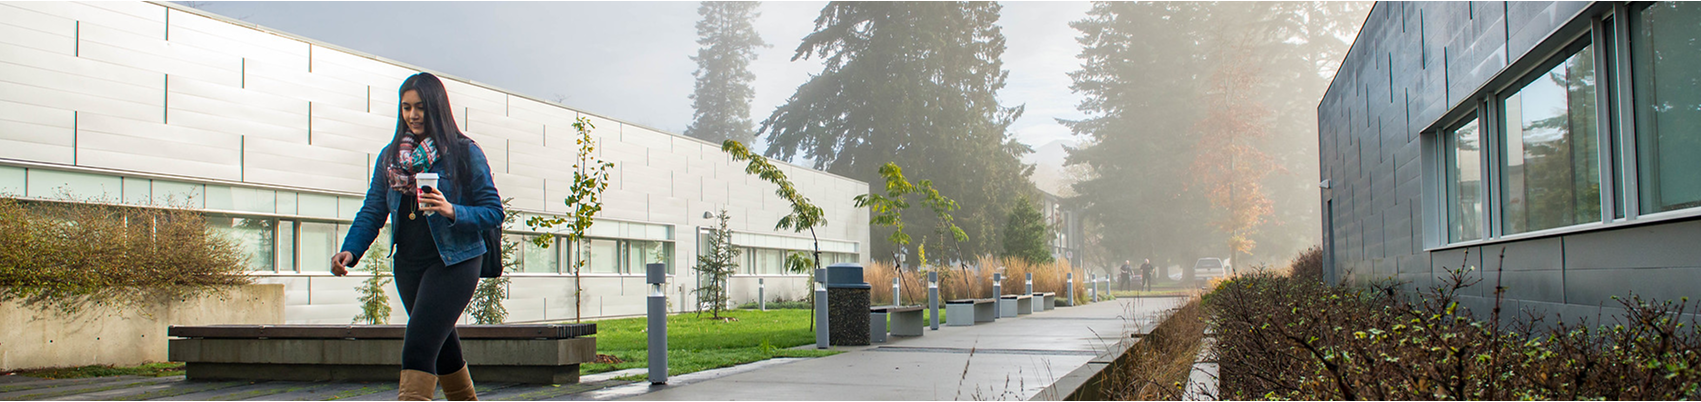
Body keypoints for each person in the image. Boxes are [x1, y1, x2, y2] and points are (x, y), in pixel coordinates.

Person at [330, 72, 504, 402]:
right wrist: (350, 251)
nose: (413, 115)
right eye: (406, 107)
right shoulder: (390, 157)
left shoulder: (464, 152)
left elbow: (493, 211)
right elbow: (373, 210)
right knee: (444, 352)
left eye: (421, 107)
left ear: (437, 107)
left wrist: (451, 209)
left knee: (418, 348)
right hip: (408, 265)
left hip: (455, 261)